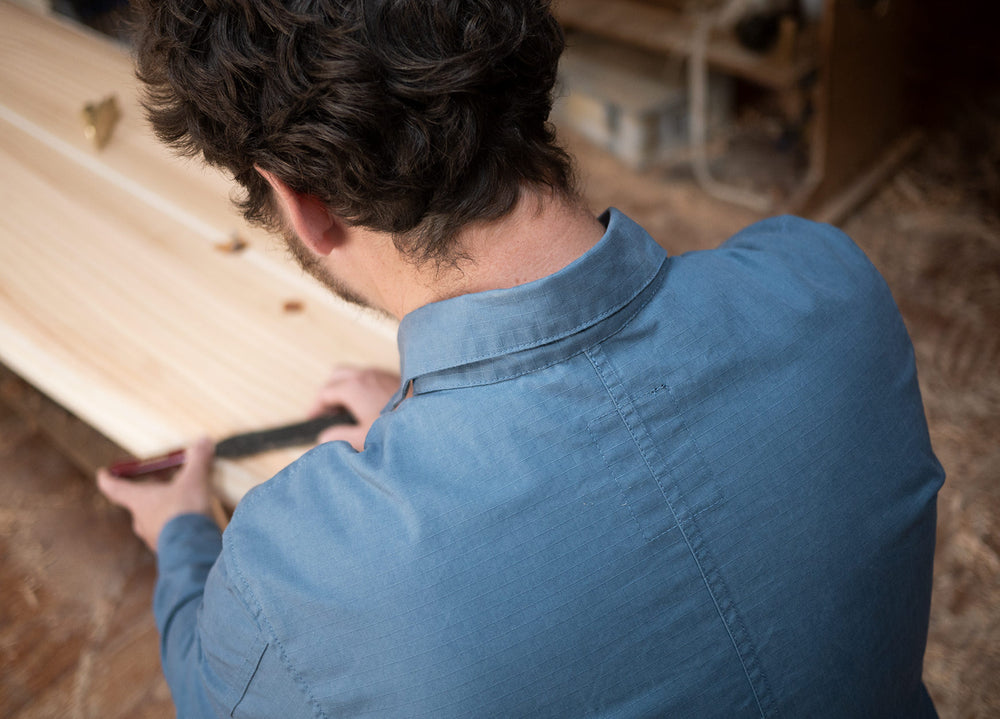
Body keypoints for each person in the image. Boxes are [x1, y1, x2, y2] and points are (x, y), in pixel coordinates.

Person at [96, 1, 945, 716]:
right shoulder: (828, 289)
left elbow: (215, 695)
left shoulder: (300, 584)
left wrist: (179, 533)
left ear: (300, 203)